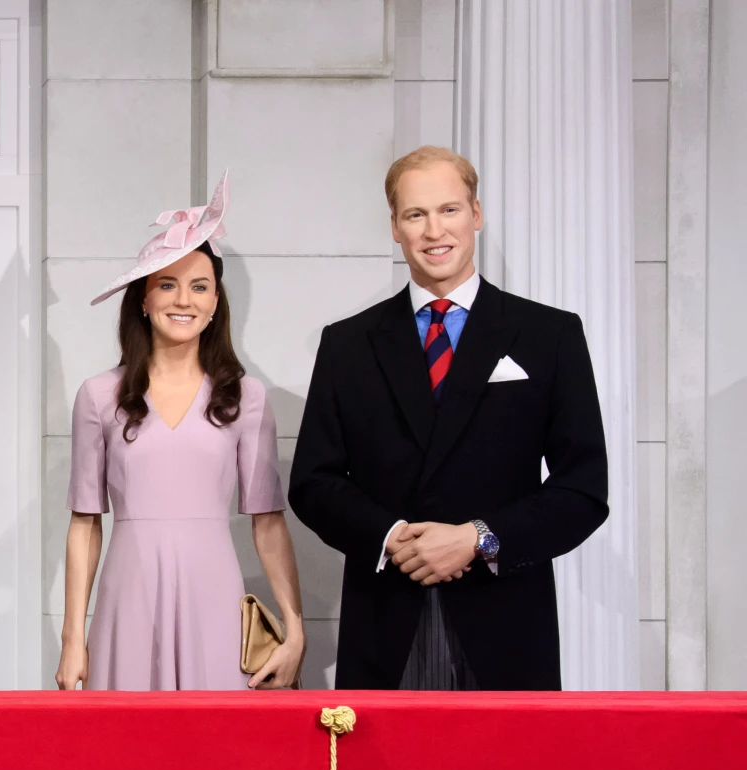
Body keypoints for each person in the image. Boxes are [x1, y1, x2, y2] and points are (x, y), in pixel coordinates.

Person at [289, 146, 609, 689]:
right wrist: (392, 537)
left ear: (476, 214)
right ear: (395, 226)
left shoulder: (549, 335)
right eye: (415, 214)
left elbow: (583, 488)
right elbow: (313, 482)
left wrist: (479, 538)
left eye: (449, 209)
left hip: (505, 618)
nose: (434, 229)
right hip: (387, 615)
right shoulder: (347, 344)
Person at [58, 176, 306, 691]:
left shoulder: (246, 396)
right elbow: (85, 523)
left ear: (216, 302)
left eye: (199, 286)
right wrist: (72, 640)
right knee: (126, 757)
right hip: (128, 594)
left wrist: (295, 629)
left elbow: (268, 523)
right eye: (167, 284)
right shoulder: (98, 395)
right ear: (142, 300)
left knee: (214, 755)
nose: (184, 300)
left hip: (213, 594)